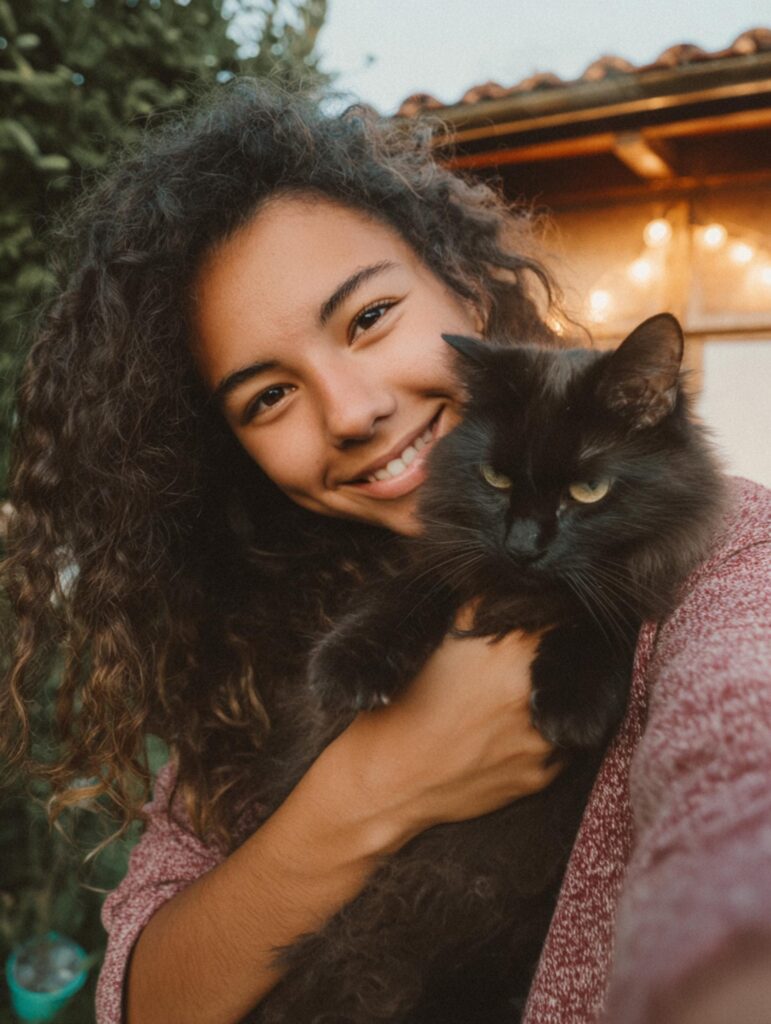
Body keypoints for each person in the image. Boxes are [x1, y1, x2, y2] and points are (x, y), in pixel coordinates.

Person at [1, 81, 769, 1024]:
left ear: (466, 287)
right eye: (266, 397)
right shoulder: (250, 627)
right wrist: (377, 783)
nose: (352, 410)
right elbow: (148, 998)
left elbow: (738, 758)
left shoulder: (730, 553)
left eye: (367, 318)